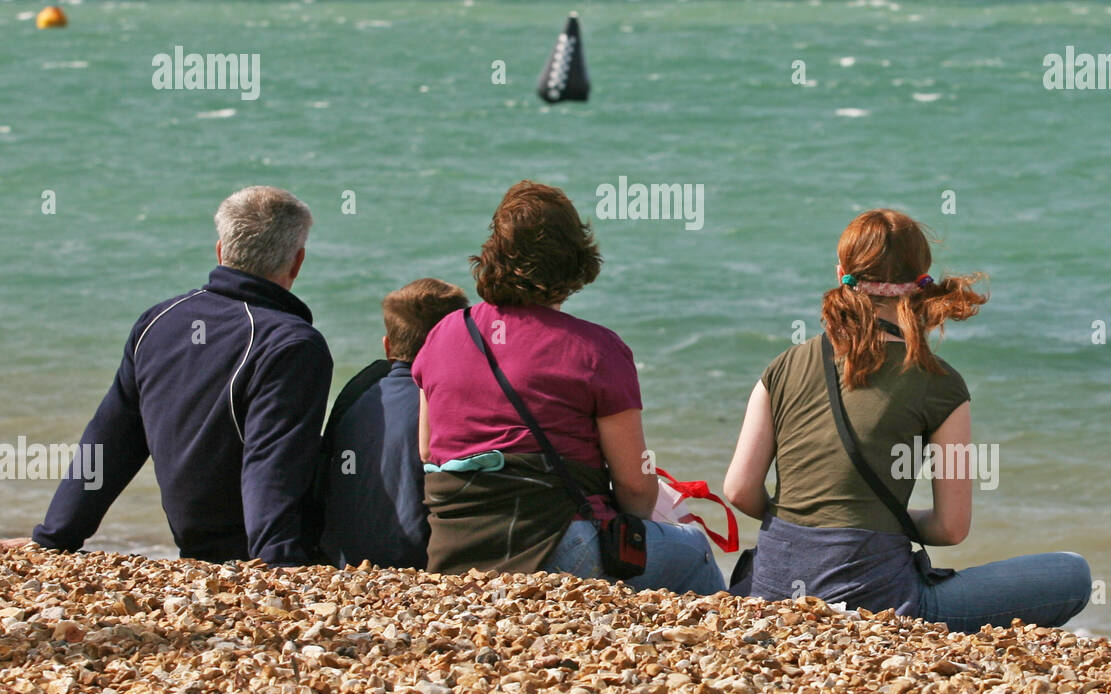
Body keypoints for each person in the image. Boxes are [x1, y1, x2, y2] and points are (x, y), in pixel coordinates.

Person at [724, 208, 1091, 633]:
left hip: (771, 591)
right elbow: (950, 528)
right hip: (879, 604)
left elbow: (738, 490)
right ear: (922, 282)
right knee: (1073, 574)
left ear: (841, 272)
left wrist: (812, 522)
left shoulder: (783, 365)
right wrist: (878, 518)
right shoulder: (941, 384)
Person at [412, 180, 724, 595]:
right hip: (555, 547)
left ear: (493, 253)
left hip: (456, 551)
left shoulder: (446, 332)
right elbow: (633, 483)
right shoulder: (595, 349)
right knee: (693, 551)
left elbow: (430, 450)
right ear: (576, 260)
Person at [21, 186, 333, 566]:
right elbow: (272, 462)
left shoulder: (157, 322)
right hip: (260, 552)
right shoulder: (293, 343)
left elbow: (111, 437)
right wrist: (278, 566)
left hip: (196, 545)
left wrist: (56, 536)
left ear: (221, 251)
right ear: (297, 262)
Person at [318, 278, 468, 569]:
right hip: (417, 563)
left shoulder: (356, 392)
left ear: (387, 346)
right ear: (457, 346)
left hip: (342, 558)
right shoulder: (449, 405)